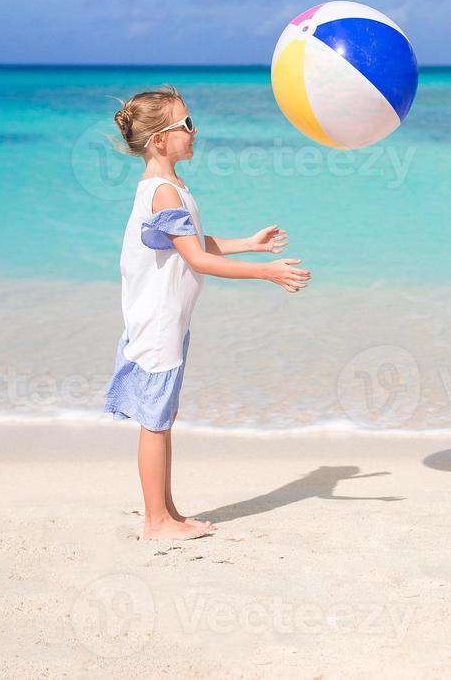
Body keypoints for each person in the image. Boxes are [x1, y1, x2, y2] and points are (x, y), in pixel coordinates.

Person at [104, 84, 311, 541]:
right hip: (157, 322)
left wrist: (250, 244)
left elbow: (193, 245)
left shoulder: (171, 187)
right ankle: (155, 522)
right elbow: (197, 260)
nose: (196, 131)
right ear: (160, 139)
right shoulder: (162, 193)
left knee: (163, 418)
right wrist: (266, 273)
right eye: (187, 124)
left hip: (169, 320)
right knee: (155, 423)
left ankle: (167, 511)